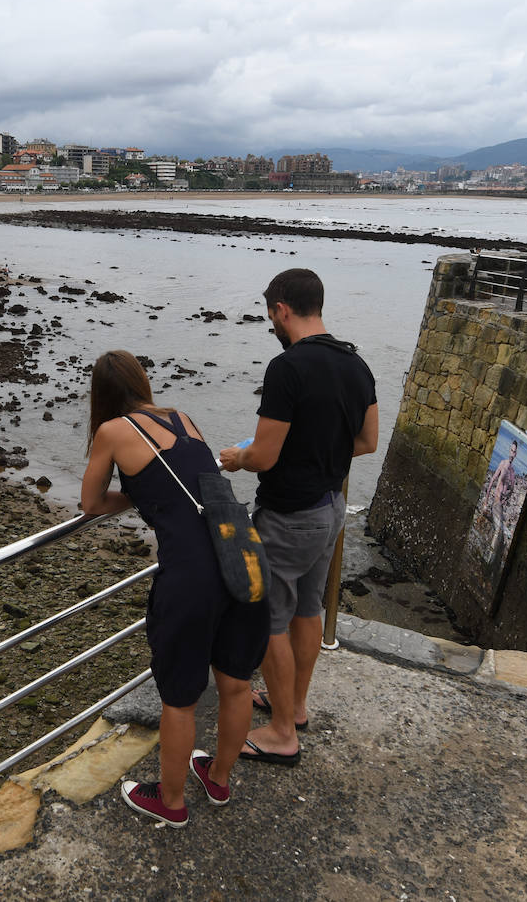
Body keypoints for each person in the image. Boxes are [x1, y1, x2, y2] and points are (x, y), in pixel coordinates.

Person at [80, 350, 269, 827]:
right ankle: (219, 779)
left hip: (190, 576)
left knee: (180, 700)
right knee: (237, 682)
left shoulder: (112, 430)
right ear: (141, 381)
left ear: (101, 395)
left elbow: (90, 501)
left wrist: (137, 494)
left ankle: (171, 802)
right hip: (240, 555)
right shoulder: (183, 417)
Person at [218, 268, 377, 767]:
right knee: (309, 609)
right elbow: (368, 442)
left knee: (270, 620)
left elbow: (263, 456)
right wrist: (315, 450)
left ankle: (282, 732)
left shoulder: (286, 368)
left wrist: (236, 457)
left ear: (282, 309)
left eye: (271, 313)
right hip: (331, 508)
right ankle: (296, 706)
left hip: (289, 514)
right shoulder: (356, 363)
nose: (272, 322)